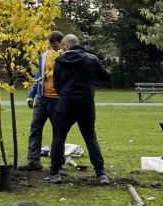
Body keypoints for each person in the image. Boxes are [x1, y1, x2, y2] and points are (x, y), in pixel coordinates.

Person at [45, 34, 111, 185]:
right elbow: (106, 78)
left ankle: (55, 173)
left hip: (65, 104)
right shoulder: (91, 59)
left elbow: (57, 84)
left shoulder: (60, 61)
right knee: (90, 138)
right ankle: (101, 174)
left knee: (58, 137)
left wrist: (64, 95)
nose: (61, 49)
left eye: (62, 46)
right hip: (85, 104)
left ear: (66, 45)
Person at [22, 31, 65, 171]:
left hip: (57, 100)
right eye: (51, 46)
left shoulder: (65, 57)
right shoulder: (44, 56)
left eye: (56, 46)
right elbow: (38, 76)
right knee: (35, 128)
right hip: (42, 99)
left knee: (58, 131)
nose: (53, 49)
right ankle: (33, 160)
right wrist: (31, 95)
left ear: (62, 43)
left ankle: (58, 161)